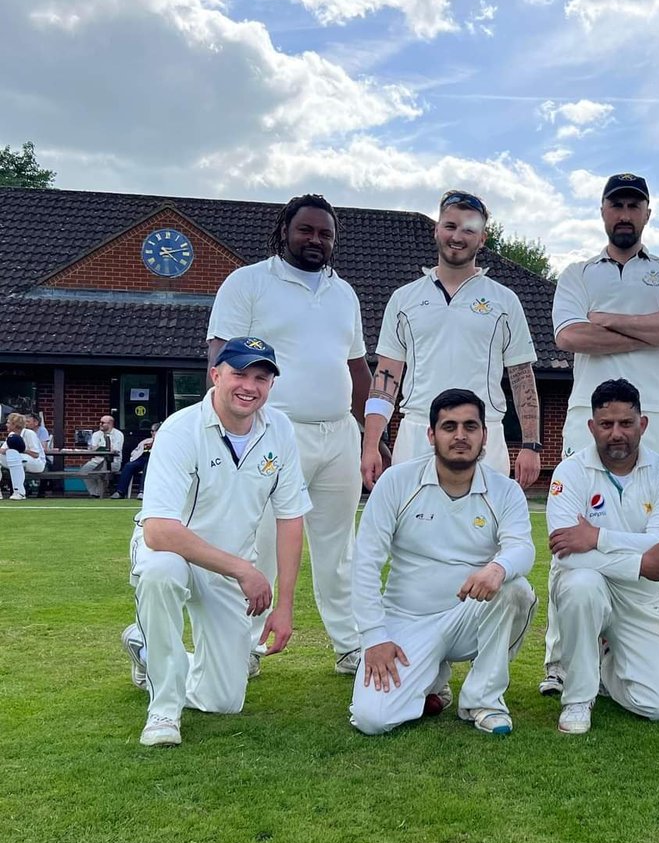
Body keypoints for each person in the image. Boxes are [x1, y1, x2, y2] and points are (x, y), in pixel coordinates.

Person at [541, 173, 659, 700]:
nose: (625, 214)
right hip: (590, 417)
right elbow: (568, 336)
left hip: (656, 419)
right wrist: (645, 325)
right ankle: (561, 661)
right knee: (572, 538)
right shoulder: (578, 273)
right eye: (617, 205)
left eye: (635, 205)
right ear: (603, 211)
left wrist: (607, 320)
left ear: (648, 213)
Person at [207, 193, 371, 676]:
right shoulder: (248, 282)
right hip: (272, 432)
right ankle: (244, 646)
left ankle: (350, 646)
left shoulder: (345, 293)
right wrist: (229, 431)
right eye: (307, 230)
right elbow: (221, 360)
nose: (316, 239)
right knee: (259, 545)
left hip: (339, 433)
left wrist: (372, 437)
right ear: (285, 230)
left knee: (341, 547)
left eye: (325, 233)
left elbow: (356, 368)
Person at [121, 338, 311, 747]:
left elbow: (291, 517)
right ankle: (163, 712)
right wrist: (245, 570)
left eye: (261, 377)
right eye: (239, 374)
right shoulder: (180, 429)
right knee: (160, 573)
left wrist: (285, 606)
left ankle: (146, 648)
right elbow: (158, 530)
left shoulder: (279, 429)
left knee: (224, 700)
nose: (249, 386)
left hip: (227, 566)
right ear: (216, 375)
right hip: (172, 552)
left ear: (271, 385)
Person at [350, 388, 536, 738]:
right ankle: (431, 681)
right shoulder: (396, 482)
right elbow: (365, 563)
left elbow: (522, 548)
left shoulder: (505, 491)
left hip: (469, 615)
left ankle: (483, 701)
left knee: (515, 589)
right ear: (431, 434)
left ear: (485, 434)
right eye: (449, 426)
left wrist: (497, 568)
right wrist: (374, 637)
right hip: (407, 619)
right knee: (372, 719)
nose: (461, 436)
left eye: (470, 426)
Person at [362, 189, 542, 489]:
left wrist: (531, 445)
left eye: (469, 230)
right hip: (418, 432)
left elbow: (522, 375)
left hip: (483, 434)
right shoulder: (404, 299)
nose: (457, 237)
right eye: (450, 226)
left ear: (482, 239)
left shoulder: (504, 301)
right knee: (411, 534)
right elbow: (386, 376)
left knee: (483, 534)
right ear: (437, 229)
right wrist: (370, 446)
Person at [547, 379, 659, 735]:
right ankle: (578, 697)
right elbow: (567, 554)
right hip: (593, 584)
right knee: (582, 584)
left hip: (641, 599)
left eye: (626, 423)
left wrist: (596, 537)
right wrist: (639, 563)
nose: (616, 434)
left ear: (643, 424)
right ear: (592, 427)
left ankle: (606, 666)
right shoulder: (570, 472)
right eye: (606, 425)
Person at [110, 422, 160, 499]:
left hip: (155, 461)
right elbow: (135, 451)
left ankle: (142, 492)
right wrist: (133, 459)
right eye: (151, 431)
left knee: (147, 466)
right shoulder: (146, 441)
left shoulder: (164, 442)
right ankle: (120, 492)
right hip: (142, 459)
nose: (152, 432)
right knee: (128, 466)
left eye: (154, 431)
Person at [2, 413, 45, 500]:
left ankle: (19, 492)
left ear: (15, 424)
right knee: (11, 454)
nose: (6, 424)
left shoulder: (29, 433)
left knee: (15, 456)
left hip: (37, 463)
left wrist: (20, 449)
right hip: (21, 460)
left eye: (8, 422)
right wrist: (10, 450)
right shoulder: (12, 435)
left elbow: (36, 454)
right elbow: (2, 450)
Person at [80, 414, 123, 497]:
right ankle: (95, 493)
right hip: (97, 459)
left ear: (110, 424)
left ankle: (99, 494)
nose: (100, 424)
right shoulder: (96, 434)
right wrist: (103, 448)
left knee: (102, 473)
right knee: (83, 471)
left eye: (102, 423)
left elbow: (115, 450)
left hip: (113, 461)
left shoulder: (118, 434)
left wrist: (100, 448)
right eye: (100, 422)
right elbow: (93, 448)